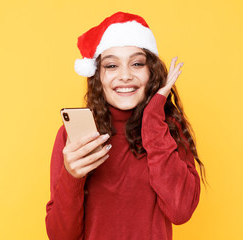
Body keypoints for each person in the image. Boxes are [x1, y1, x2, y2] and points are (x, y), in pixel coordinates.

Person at [45, 11, 206, 240]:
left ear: (151, 72)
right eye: (111, 66)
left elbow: (180, 211)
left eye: (137, 63)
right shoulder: (73, 137)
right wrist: (72, 176)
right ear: (97, 76)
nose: (125, 76)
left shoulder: (166, 130)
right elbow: (61, 236)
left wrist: (153, 118)